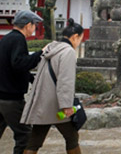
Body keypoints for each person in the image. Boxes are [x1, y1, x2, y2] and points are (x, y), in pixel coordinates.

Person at [22, 18, 84, 154]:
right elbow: (65, 81)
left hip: (42, 102)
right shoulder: (68, 52)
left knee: (35, 140)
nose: (79, 42)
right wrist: (66, 105)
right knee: (72, 138)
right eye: (80, 39)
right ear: (75, 37)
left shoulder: (50, 48)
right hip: (57, 105)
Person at [0, 10, 44, 154]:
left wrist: (31, 78)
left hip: (2, 94)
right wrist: (40, 54)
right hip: (11, 98)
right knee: (25, 135)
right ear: (28, 25)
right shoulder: (18, 39)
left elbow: (11, 65)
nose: (34, 28)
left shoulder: (6, 39)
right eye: (34, 25)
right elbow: (19, 63)